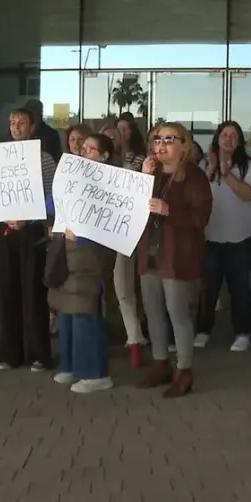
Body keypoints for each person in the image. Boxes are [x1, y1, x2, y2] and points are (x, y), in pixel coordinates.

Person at [136, 122, 213, 398]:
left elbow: (201, 218)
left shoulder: (194, 176)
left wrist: (170, 211)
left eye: (170, 139)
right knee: (153, 312)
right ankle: (160, 364)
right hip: (150, 253)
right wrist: (142, 179)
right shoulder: (150, 172)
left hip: (177, 256)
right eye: (158, 139)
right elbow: (130, 207)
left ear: (184, 144)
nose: (162, 144)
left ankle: (184, 370)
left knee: (178, 314)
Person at [48, 133, 118, 393]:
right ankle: (72, 366)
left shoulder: (112, 182)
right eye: (83, 147)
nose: (84, 150)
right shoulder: (71, 175)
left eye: (91, 148)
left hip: (90, 252)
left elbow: (112, 219)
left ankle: (96, 373)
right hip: (67, 250)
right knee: (66, 309)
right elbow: (51, 203)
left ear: (104, 155)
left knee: (84, 310)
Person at [0, 108, 58, 371]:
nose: (16, 127)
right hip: (6, 231)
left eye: (22, 123)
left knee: (34, 292)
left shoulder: (44, 159)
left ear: (32, 127)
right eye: (12, 123)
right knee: (8, 291)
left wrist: (29, 218)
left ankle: (38, 354)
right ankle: (10, 353)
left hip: (32, 232)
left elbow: (52, 199)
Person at [195, 121, 251, 352]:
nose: (228, 139)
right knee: (208, 288)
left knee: (239, 288)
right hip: (211, 236)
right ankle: (203, 330)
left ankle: (242, 332)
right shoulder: (204, 163)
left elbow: (248, 194)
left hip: (240, 238)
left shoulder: (248, 165)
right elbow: (197, 194)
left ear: (240, 140)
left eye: (234, 135)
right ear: (217, 138)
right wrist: (212, 169)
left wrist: (226, 174)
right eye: (224, 134)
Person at [102, 117, 148, 366]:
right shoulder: (90, 164)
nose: (115, 137)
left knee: (124, 289)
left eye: (119, 133)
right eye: (109, 135)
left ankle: (135, 341)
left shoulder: (134, 162)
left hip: (123, 233)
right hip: (96, 235)